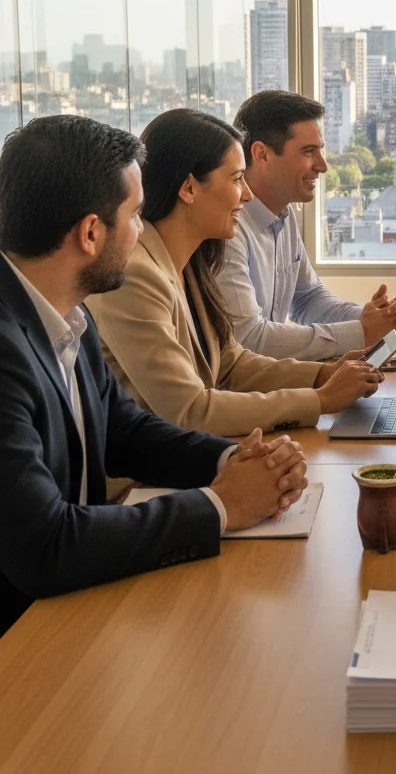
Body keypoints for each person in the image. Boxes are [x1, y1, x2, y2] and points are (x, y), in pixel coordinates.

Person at [0, 116, 309, 636]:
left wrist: (233, 460)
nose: (142, 230)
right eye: (136, 215)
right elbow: (45, 544)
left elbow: (124, 432)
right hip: (24, 637)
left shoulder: (67, 316)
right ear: (91, 233)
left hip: (72, 605)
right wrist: (222, 504)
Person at [88, 109, 382, 438]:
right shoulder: (136, 277)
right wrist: (319, 399)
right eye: (236, 178)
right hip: (145, 479)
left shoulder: (192, 260)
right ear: (188, 188)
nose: (248, 193)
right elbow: (191, 411)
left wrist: (323, 374)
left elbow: (230, 363)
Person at [216, 91, 396, 362]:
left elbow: (308, 298)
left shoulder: (284, 214)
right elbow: (250, 339)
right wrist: (360, 332)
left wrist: (373, 319)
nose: (323, 166)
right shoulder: (228, 228)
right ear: (261, 154)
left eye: (321, 150)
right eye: (309, 152)